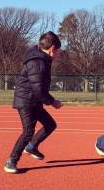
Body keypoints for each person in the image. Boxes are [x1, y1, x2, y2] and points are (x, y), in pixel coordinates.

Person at [4, 31, 63, 173]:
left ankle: (32, 147)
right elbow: (38, 89)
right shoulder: (37, 62)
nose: (59, 55)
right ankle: (11, 161)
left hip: (33, 100)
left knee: (50, 124)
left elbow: (38, 88)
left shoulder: (41, 57)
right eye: (58, 51)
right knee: (28, 131)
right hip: (26, 101)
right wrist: (52, 102)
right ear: (52, 49)